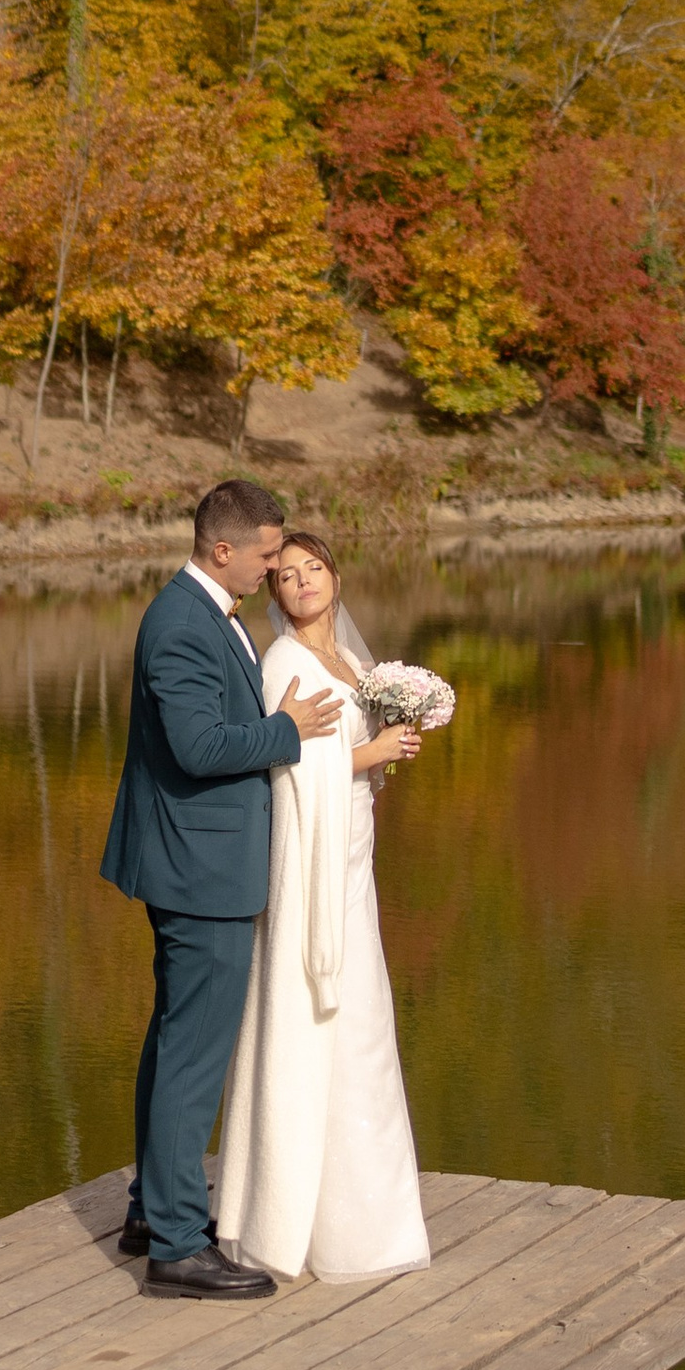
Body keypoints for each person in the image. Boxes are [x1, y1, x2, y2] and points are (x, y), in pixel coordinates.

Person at [100, 475, 341, 1299]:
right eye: (270, 555)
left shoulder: (209, 614)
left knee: (175, 1039)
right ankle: (175, 1244)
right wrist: (288, 732)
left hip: (194, 859)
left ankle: (147, 1208)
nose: (277, 570)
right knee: (193, 1054)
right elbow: (200, 748)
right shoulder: (180, 624)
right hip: (197, 869)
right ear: (225, 548)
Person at [214, 531, 432, 1282]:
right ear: (274, 595)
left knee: (365, 1029)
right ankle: (295, 1223)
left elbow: (352, 759)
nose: (303, 583)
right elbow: (289, 763)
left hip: (352, 860)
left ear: (337, 578)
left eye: (314, 569)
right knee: (315, 1019)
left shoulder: (354, 663)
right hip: (308, 867)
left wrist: (389, 753)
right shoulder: (284, 662)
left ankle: (374, 1221)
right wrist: (368, 757)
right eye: (289, 575)